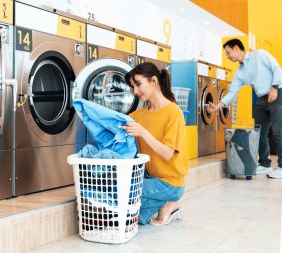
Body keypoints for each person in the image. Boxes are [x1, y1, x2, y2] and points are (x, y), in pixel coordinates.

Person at [119, 62, 189, 225]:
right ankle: (162, 205)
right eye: (132, 87)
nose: (135, 91)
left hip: (170, 183)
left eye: (138, 84)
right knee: (133, 217)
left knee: (124, 192)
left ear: (153, 81)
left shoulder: (174, 113)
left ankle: (168, 201)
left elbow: (167, 153)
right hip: (150, 178)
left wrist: (142, 132)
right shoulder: (139, 115)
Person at [207, 39, 282, 178]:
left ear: (236, 48)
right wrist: (218, 106)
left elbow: (276, 68)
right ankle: (265, 164)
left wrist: (275, 87)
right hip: (261, 99)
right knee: (260, 132)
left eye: (228, 53)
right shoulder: (239, 73)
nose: (228, 56)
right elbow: (231, 92)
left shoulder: (259, 55)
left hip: (277, 93)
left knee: (278, 131)